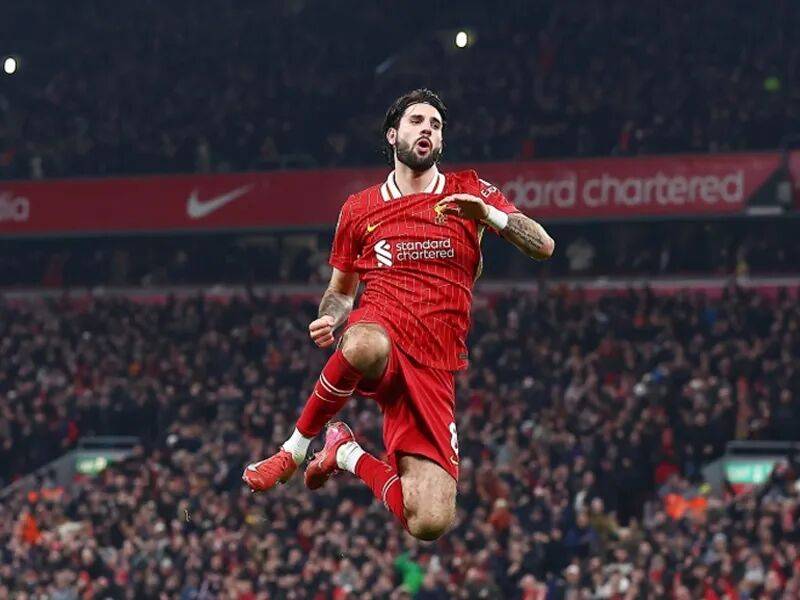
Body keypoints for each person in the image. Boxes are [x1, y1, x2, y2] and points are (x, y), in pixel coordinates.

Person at [242, 88, 554, 540]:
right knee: (363, 343)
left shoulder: (469, 191)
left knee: (429, 521)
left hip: (435, 364)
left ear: (441, 141)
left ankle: (344, 452)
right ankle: (293, 450)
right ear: (393, 134)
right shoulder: (359, 208)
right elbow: (340, 293)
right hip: (382, 337)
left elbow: (544, 246)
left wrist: (490, 215)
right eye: (416, 121)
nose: (427, 129)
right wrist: (330, 317)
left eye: (436, 125)